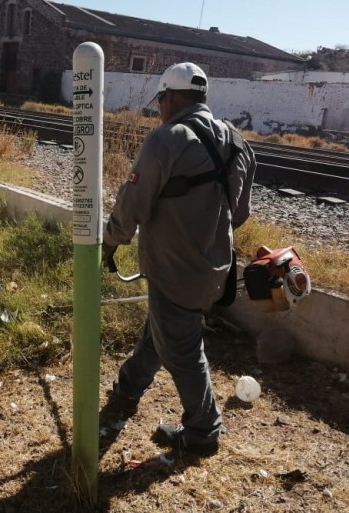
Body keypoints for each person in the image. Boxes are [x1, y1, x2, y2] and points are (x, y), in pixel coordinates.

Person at [102, 62, 256, 457]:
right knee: (163, 331)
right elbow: (238, 214)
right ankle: (127, 390)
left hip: (175, 270)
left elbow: (132, 204)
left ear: (170, 97)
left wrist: (108, 243)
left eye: (159, 101)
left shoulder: (167, 139)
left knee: (184, 352)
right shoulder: (237, 141)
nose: (159, 109)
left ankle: (204, 432)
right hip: (215, 270)